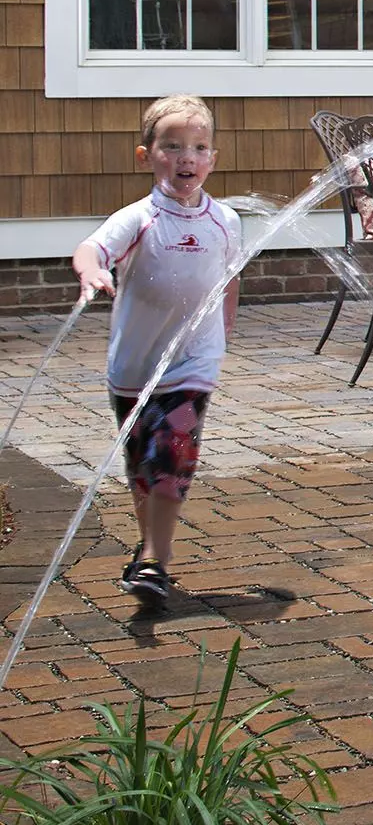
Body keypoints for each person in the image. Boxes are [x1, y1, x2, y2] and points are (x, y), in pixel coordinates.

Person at [70, 94, 242, 606]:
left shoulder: (225, 221)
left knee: (171, 457)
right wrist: (92, 270)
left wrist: (221, 340)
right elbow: (91, 248)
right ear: (145, 156)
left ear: (212, 158)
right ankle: (147, 550)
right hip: (134, 366)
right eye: (172, 146)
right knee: (143, 469)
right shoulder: (138, 218)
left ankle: (153, 563)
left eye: (198, 147)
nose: (186, 158)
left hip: (193, 363)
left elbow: (229, 282)